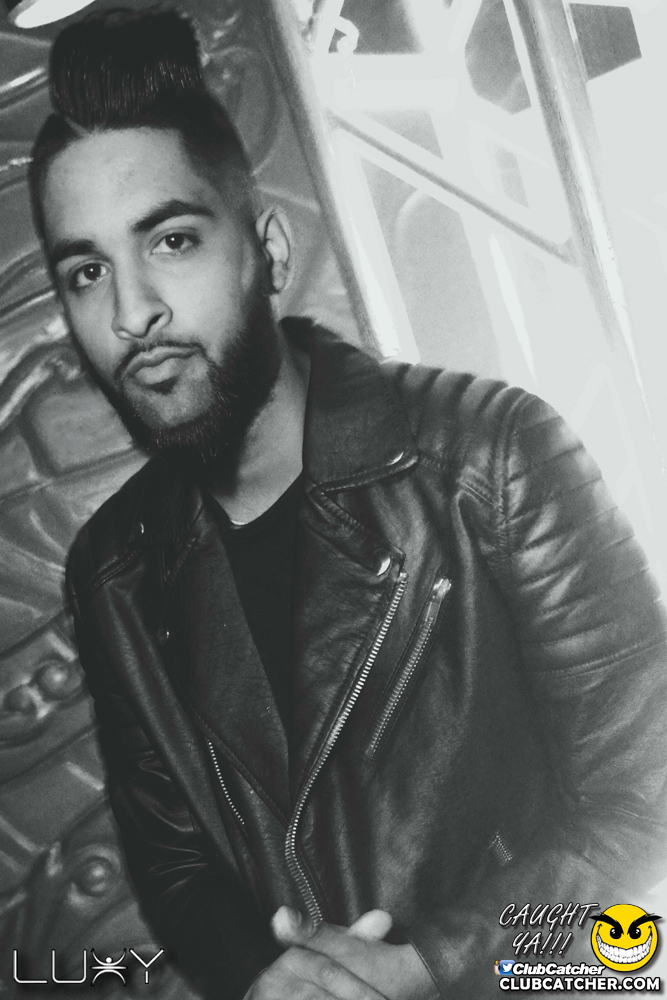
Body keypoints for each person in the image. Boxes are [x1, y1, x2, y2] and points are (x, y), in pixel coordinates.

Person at [28, 7, 667, 999]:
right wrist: (267, 979)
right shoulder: (112, 569)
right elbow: (177, 865)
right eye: (87, 271)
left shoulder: (492, 456)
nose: (131, 312)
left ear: (269, 253)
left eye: (173, 240)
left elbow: (649, 808)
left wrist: (433, 963)